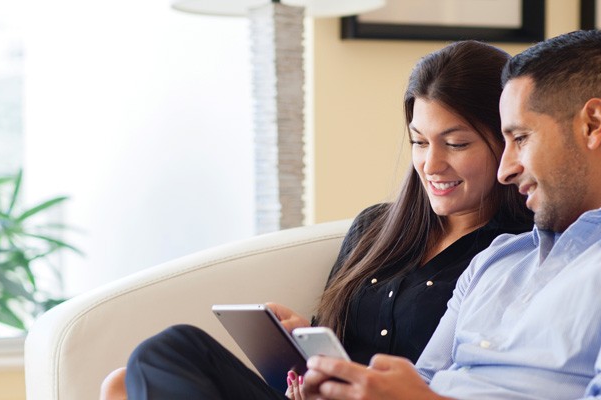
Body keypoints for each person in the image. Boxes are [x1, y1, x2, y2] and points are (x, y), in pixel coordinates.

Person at [101, 40, 533, 400]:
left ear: (506, 141)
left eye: (456, 144)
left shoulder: (517, 252)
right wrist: (301, 337)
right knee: (163, 354)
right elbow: (331, 340)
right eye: (419, 142)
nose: (431, 164)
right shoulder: (375, 230)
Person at [301, 29, 601, 400]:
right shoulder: (498, 259)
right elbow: (420, 382)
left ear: (592, 125)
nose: (505, 169)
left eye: (521, 138)